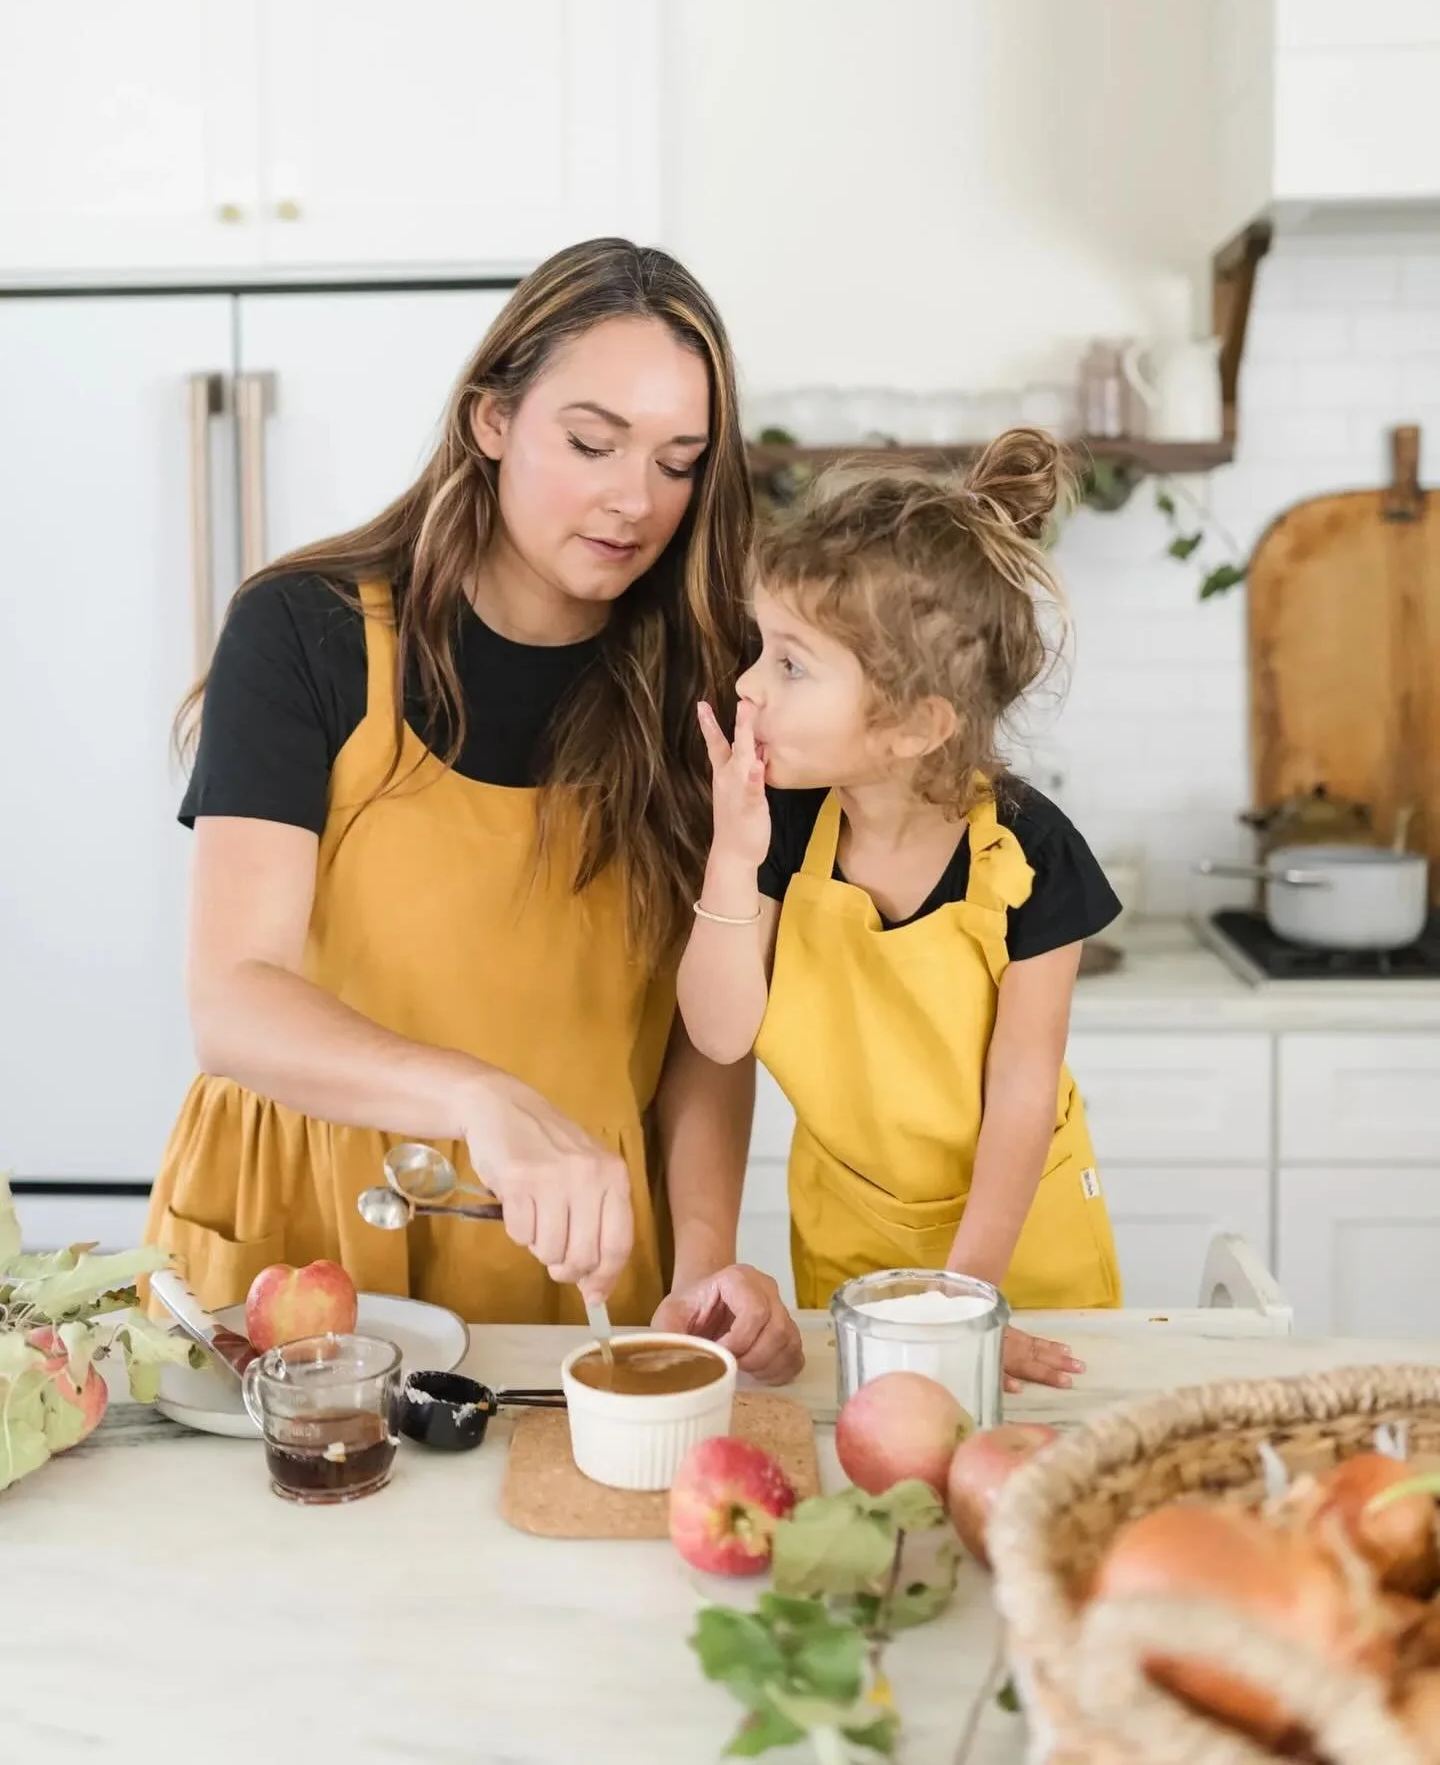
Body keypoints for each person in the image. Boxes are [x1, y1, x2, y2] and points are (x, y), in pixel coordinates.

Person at [144, 238, 803, 1385]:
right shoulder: (304, 631)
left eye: (679, 461)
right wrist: (478, 1096)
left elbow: (708, 1035)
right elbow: (232, 999)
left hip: (567, 1253)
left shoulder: (719, 688)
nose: (633, 498)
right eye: (592, 442)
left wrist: (706, 1253)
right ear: (492, 418)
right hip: (294, 1240)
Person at [676, 431, 1123, 1391]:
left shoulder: (1032, 855)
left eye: (791, 664)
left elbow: (1019, 1100)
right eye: (763, 650)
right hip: (851, 1244)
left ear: (917, 722)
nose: (748, 684)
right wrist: (731, 856)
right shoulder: (783, 830)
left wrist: (962, 1310)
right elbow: (719, 1034)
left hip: (1014, 1256)